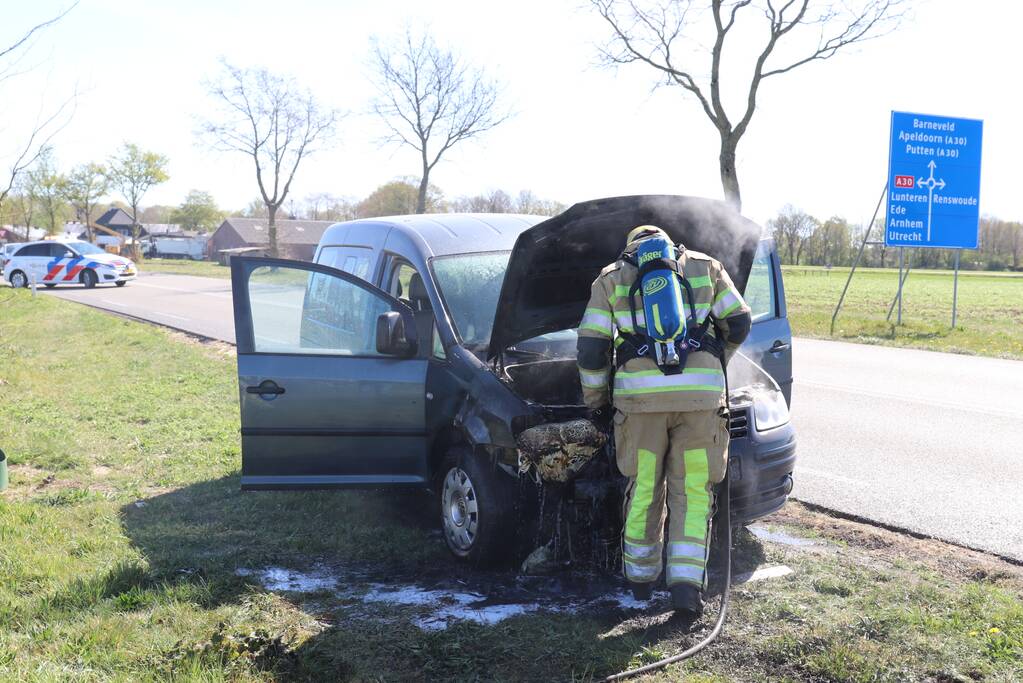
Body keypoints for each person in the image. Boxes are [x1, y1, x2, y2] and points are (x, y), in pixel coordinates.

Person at [576, 225, 751, 616]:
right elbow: (738, 322)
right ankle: (687, 588)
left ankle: (640, 582)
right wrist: (713, 360)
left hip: (639, 406)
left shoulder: (611, 279)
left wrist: (598, 403)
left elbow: (591, 350)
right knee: (692, 491)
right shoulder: (706, 267)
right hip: (700, 401)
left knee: (643, 489)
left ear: (630, 249)